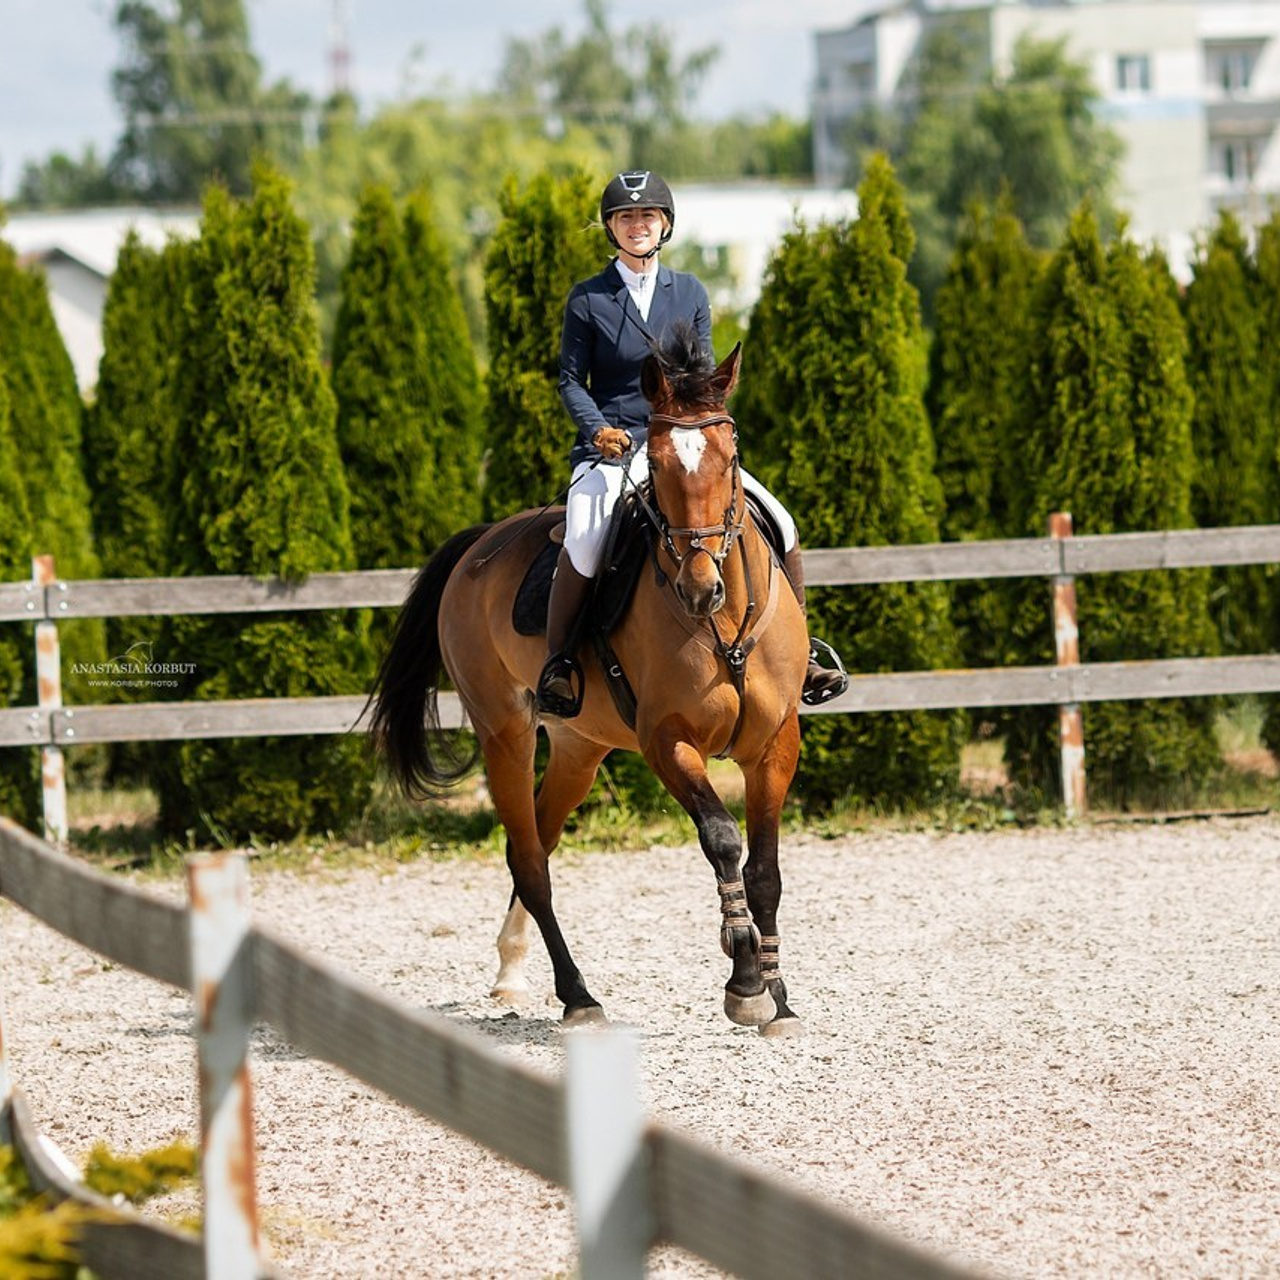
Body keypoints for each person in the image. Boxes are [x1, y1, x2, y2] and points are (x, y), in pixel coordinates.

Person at [535, 170, 848, 718]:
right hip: (614, 448)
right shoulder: (588, 299)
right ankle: (560, 664)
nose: (637, 225)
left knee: (781, 520)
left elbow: (702, 379)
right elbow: (569, 381)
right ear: (611, 227)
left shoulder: (690, 292)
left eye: (647, 216)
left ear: (665, 225)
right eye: (625, 217)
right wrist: (597, 430)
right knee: (584, 537)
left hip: (687, 448)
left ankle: (803, 655)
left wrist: (703, 432)